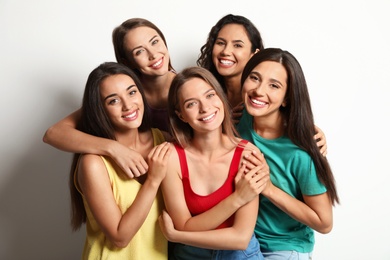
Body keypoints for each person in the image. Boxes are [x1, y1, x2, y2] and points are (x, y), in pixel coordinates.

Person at [236, 48, 340, 259]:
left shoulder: (302, 151)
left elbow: (324, 222)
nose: (259, 90)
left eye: (274, 86)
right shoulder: (240, 118)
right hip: (243, 241)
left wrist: (269, 189)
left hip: (284, 248)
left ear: (286, 98)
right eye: (254, 78)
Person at [158, 66, 270, 259]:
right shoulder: (171, 157)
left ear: (220, 97)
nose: (205, 107)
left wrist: (178, 236)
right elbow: (183, 224)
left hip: (240, 255)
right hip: (190, 255)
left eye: (210, 95)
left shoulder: (247, 153)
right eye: (191, 104)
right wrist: (237, 199)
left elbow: (240, 238)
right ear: (181, 114)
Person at [43, 18, 176, 178]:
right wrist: (113, 148)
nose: (153, 54)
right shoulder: (126, 94)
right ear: (128, 62)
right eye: (139, 51)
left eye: (155, 42)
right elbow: (53, 133)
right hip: (130, 180)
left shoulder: (191, 87)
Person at [66, 62, 172, 259]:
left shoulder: (162, 140)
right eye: (113, 101)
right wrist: (153, 180)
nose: (128, 105)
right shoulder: (93, 163)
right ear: (100, 110)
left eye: (132, 92)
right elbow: (119, 237)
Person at [197, 14, 328, 155]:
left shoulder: (261, 98)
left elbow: (289, 124)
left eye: (237, 45)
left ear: (255, 54)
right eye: (221, 43)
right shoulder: (202, 92)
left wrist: (309, 133)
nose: (226, 51)